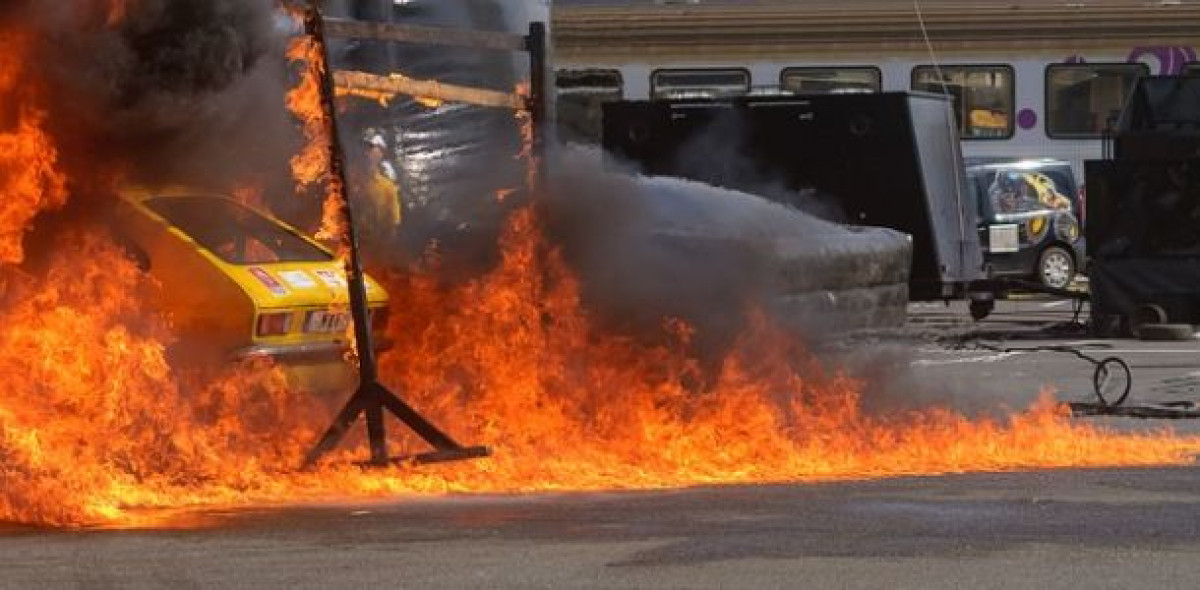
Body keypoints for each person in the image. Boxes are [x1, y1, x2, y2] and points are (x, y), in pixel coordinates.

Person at [355, 131, 402, 243]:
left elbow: (393, 225)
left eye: (371, 148)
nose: (366, 152)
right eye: (365, 148)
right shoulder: (348, 179)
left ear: (380, 154)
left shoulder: (387, 187)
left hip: (374, 243)